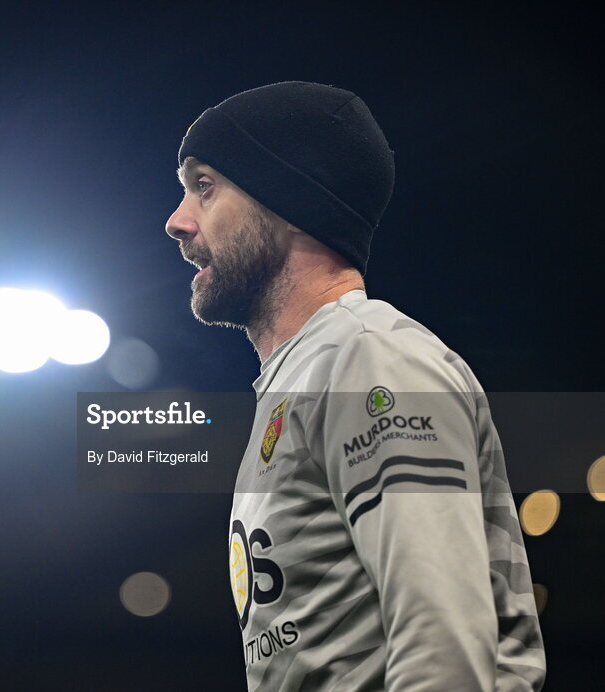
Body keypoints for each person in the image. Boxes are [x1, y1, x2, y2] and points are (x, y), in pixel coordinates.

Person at [165, 81, 546, 690]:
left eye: (204, 187)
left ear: (287, 201)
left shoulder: (369, 359)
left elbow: (443, 646)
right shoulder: (304, 378)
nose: (178, 221)